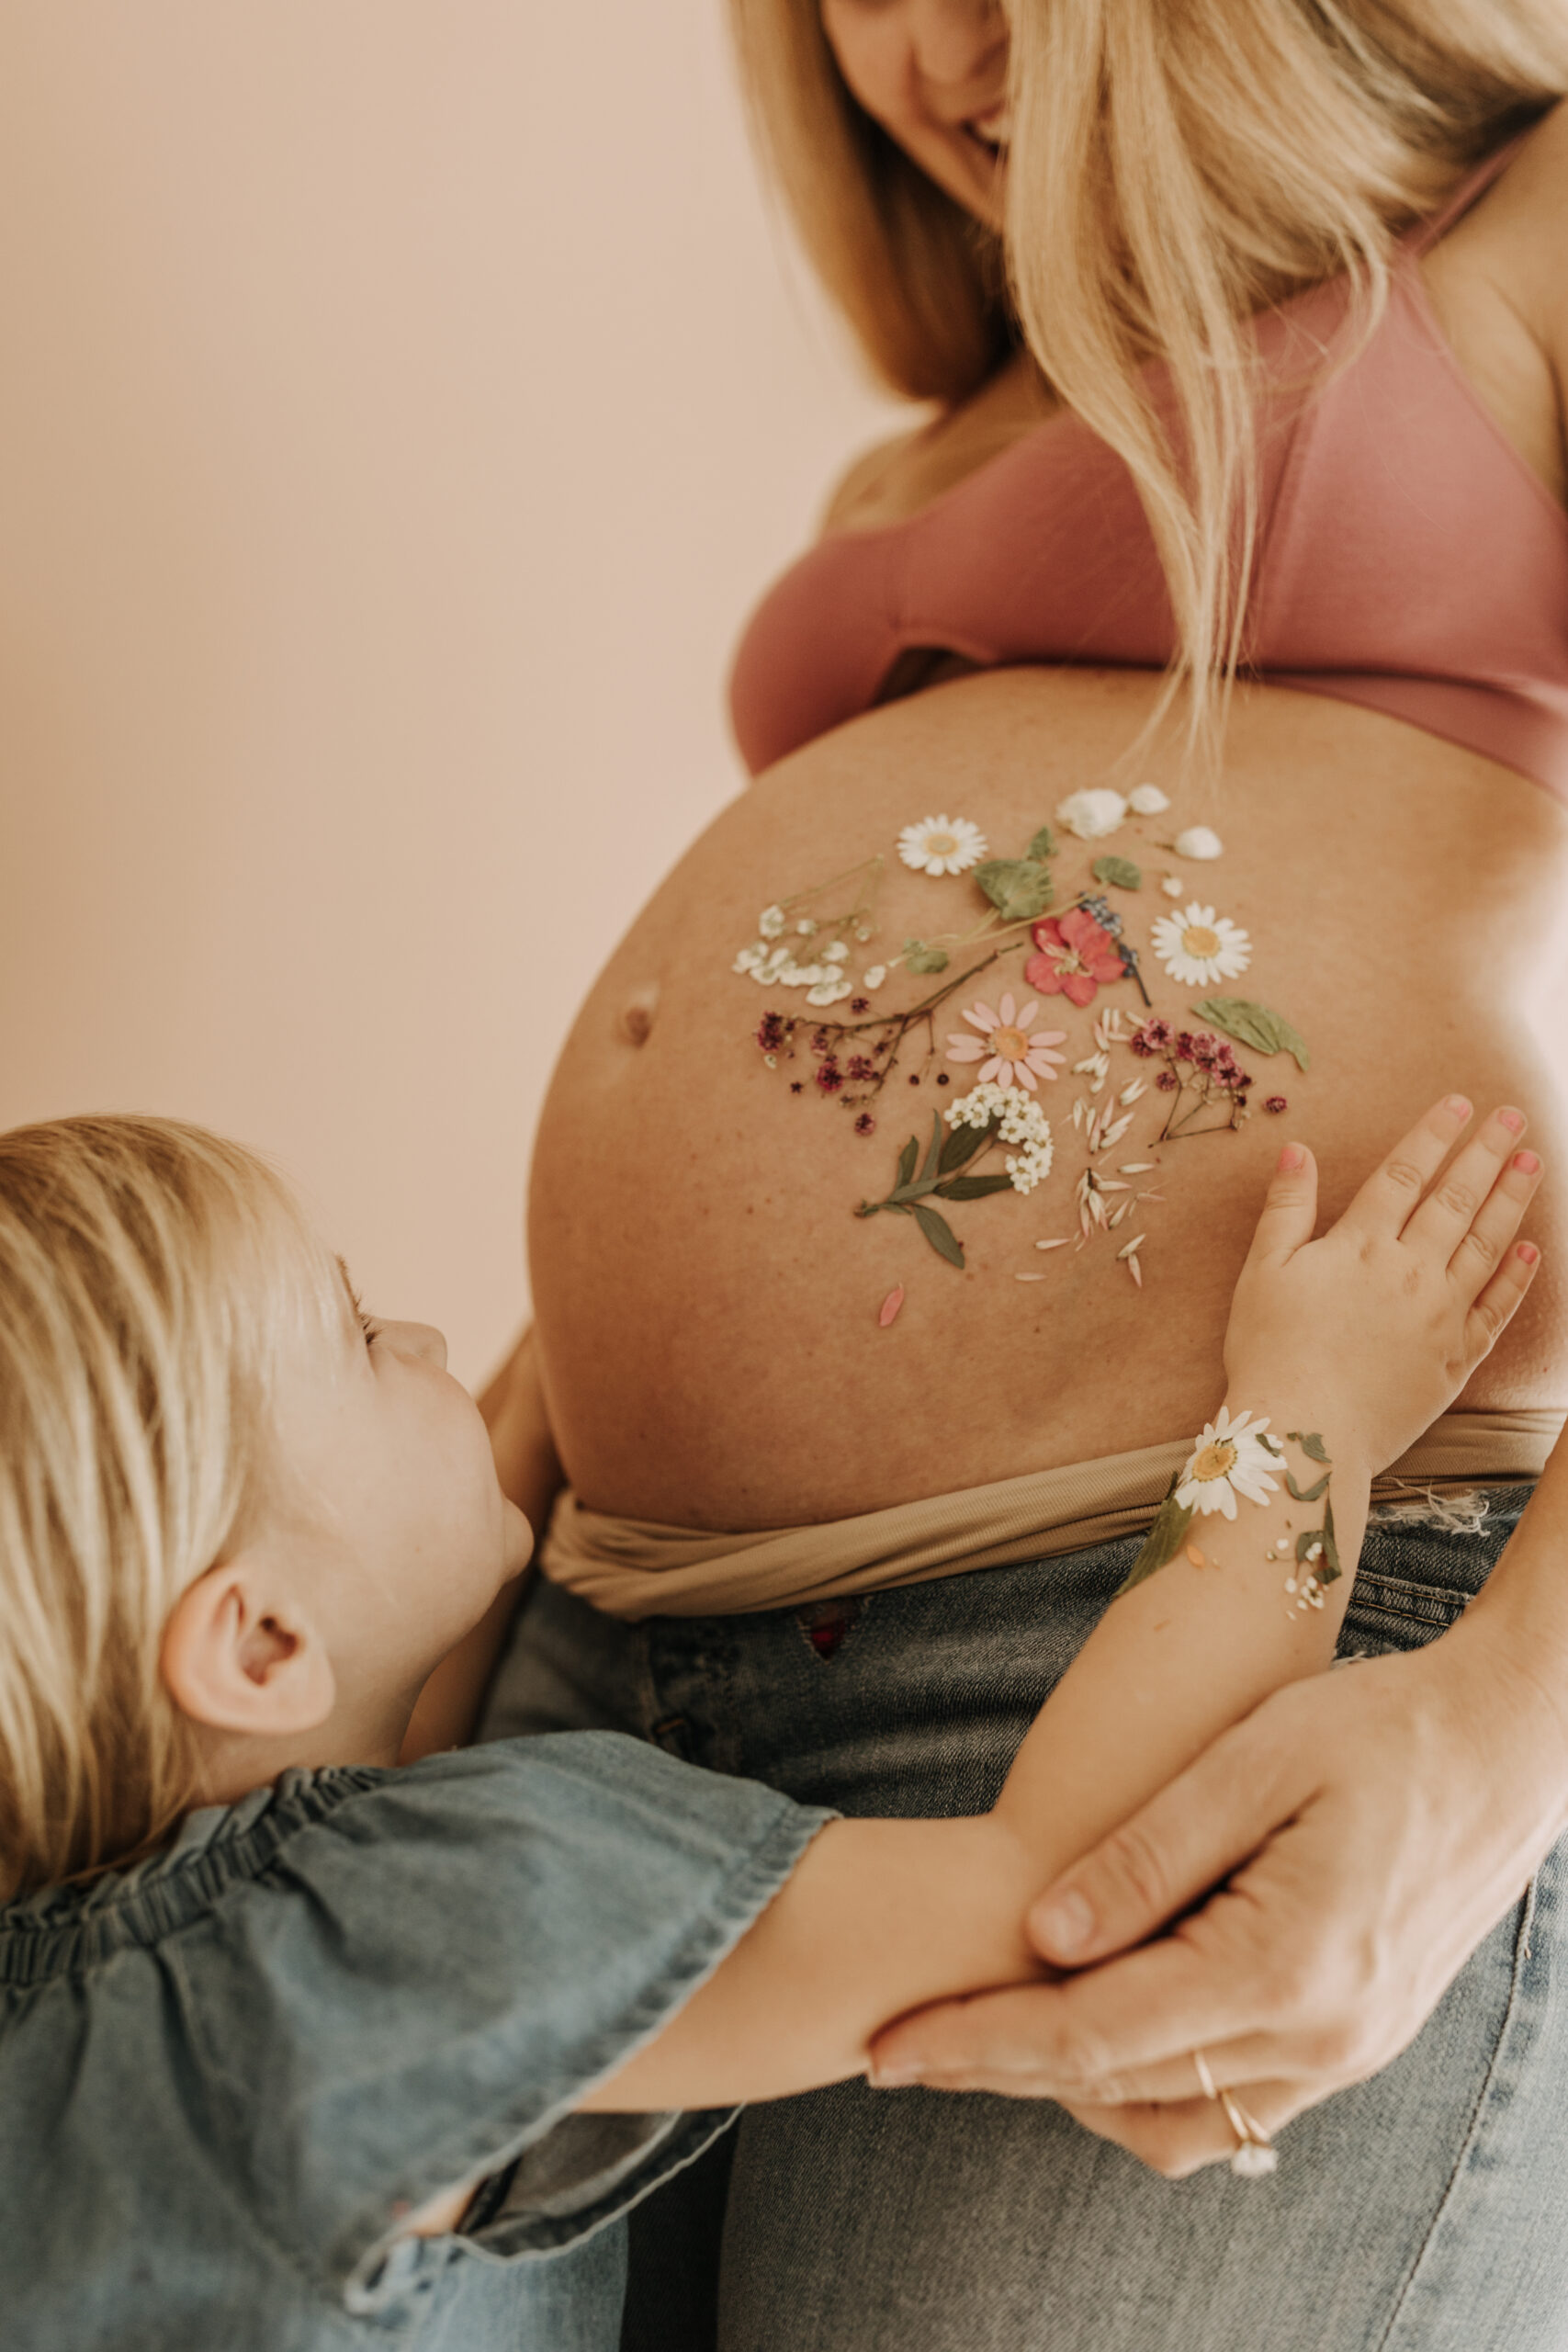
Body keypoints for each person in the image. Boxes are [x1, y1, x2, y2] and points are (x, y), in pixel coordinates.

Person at [474, 4, 1568, 2345]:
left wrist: (1497, 1742)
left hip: (1188, 1620)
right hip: (590, 1658)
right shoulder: (943, 444)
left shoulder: (1538, 223)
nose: (917, 43)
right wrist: (453, 1540)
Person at [1, 1104, 1535, 2349]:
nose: (416, 1337)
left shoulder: (80, 2034)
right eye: (351, 1334)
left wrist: (544, 1424)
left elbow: (386, 1767)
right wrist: (1313, 1408)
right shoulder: (354, 1953)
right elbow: (1060, 1885)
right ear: (260, 1642)